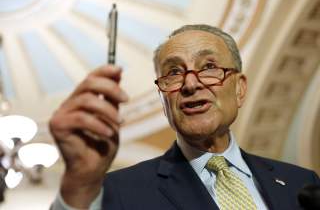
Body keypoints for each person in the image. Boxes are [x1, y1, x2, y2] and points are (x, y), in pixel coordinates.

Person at [50, 24, 320, 210]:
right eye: (174, 73)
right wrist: (79, 183)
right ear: (163, 98)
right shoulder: (120, 192)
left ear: (239, 88)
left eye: (209, 66)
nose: (190, 84)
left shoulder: (301, 183)